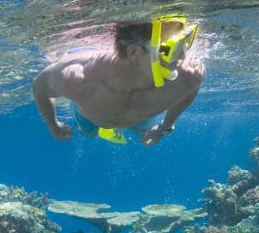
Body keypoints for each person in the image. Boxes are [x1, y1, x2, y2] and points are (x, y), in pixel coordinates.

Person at [33, 18, 205, 145]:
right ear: (133, 52)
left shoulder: (188, 76)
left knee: (143, 132)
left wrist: (164, 128)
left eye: (186, 42)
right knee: (88, 133)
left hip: (139, 120)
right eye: (174, 48)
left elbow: (190, 91)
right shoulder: (78, 79)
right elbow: (39, 88)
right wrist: (53, 125)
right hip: (89, 117)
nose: (183, 56)